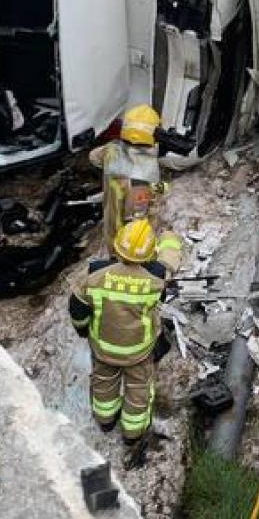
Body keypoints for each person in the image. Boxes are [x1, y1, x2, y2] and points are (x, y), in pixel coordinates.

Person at [68, 219, 185, 465]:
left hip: (104, 348)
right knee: (139, 390)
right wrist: (169, 236)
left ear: (117, 246)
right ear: (149, 252)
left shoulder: (95, 275)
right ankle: (132, 434)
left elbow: (77, 308)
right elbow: (170, 260)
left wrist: (82, 330)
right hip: (139, 352)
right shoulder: (156, 280)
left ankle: (106, 420)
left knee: (103, 383)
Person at [89, 104, 166, 247]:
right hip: (126, 245)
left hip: (111, 225)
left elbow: (93, 157)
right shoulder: (143, 178)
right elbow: (137, 221)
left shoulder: (111, 149)